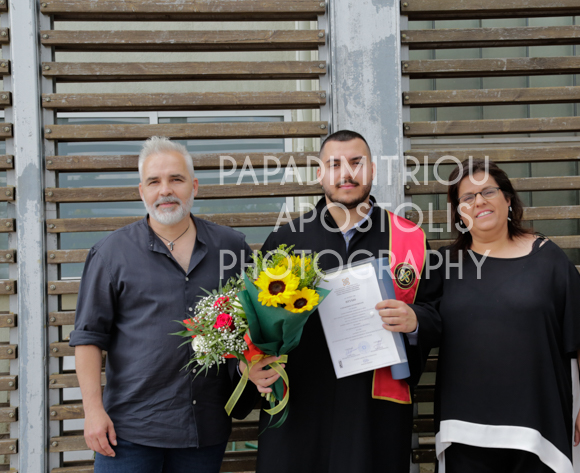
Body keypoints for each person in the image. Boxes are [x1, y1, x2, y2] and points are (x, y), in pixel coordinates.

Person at [237, 130, 442, 473]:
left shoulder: (409, 239)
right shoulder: (287, 239)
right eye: (334, 164)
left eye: (356, 163)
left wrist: (415, 320)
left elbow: (436, 311)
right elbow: (253, 321)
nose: (346, 173)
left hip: (372, 410)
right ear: (320, 173)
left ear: (372, 170)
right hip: (300, 406)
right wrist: (250, 365)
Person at [69, 136, 252, 473]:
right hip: (128, 432)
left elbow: (253, 324)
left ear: (194, 186)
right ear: (142, 191)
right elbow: (88, 338)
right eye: (154, 182)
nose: (165, 190)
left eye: (176, 179)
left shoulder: (232, 248)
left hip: (204, 428)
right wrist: (93, 411)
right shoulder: (111, 253)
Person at [433, 159, 580, 473]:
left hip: (540, 432)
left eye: (488, 192)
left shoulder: (548, 258)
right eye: (467, 198)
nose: (479, 202)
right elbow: (418, 322)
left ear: (508, 199)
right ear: (459, 213)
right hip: (465, 434)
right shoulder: (444, 265)